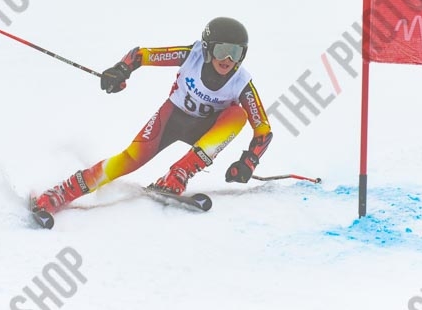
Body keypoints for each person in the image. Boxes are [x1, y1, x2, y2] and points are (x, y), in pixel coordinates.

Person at [34, 17, 274, 216]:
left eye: (236, 53)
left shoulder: (241, 83)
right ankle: (63, 192)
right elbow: (141, 55)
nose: (228, 60)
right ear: (207, 48)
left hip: (206, 132)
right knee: (129, 158)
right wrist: (121, 70)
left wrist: (249, 162)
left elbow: (263, 130)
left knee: (238, 114)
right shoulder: (191, 56)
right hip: (172, 119)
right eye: (222, 50)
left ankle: (179, 173)